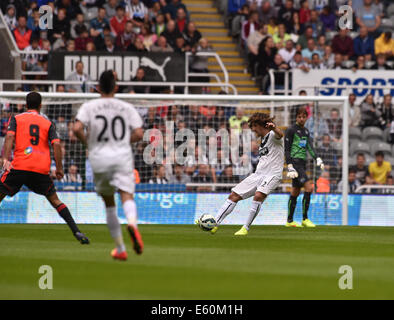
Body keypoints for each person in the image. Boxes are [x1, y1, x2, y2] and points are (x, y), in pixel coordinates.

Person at [73, 70, 144, 261]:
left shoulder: (89, 106)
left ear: (97, 87)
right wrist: (122, 142)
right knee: (126, 194)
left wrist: (88, 144)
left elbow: (77, 128)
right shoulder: (126, 107)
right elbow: (139, 133)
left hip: (98, 157)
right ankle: (132, 224)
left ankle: (120, 248)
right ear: (116, 86)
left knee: (109, 203)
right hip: (121, 156)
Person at [0, 92, 89, 244]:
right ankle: (77, 231)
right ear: (40, 106)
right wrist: (60, 168)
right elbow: (56, 144)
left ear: (26, 105)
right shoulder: (48, 123)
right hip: (40, 169)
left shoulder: (16, 118)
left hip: (20, 166)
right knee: (55, 200)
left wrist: (5, 159)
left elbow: (9, 137)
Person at [204, 113, 284, 236]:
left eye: (253, 126)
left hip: (272, 174)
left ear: (258, 125)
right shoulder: (262, 140)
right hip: (258, 174)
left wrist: (273, 128)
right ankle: (215, 224)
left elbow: (280, 134)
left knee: (258, 196)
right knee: (234, 195)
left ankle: (245, 228)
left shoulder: (273, 135)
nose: (252, 130)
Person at [285, 107, 325, 228]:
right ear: (296, 117)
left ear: (306, 118)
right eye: (299, 117)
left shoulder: (306, 131)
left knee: (295, 191)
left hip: (302, 163)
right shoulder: (291, 130)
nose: (301, 119)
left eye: (303, 117)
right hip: (295, 163)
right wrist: (290, 165)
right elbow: (287, 149)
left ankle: (289, 220)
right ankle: (305, 218)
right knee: (309, 187)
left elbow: (309, 147)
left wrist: (317, 158)